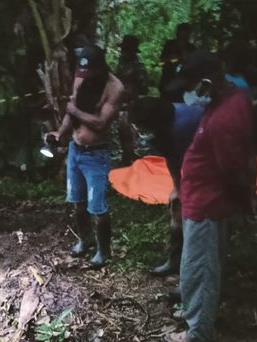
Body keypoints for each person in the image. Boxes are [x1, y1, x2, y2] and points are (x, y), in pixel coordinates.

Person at [163, 51, 256, 342]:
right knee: (196, 265)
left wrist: (244, 201)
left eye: (191, 85)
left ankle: (198, 334)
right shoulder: (229, 101)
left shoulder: (225, 117)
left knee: (200, 267)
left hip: (208, 205)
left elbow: (234, 170)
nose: (188, 92)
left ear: (206, 82)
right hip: (199, 200)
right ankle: (195, 314)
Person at [48, 44, 124, 269]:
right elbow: (72, 110)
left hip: (96, 155)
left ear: (100, 68)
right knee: (77, 202)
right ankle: (85, 239)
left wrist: (74, 111)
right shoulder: (80, 79)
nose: (84, 78)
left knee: (97, 207)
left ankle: (104, 251)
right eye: (83, 73)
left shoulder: (115, 87)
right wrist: (59, 134)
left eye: (89, 73)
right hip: (75, 150)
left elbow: (101, 123)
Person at [131, 97, 204, 276]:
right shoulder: (158, 129)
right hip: (185, 161)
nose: (138, 131)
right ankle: (174, 261)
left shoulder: (184, 127)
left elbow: (192, 162)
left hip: (204, 166)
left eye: (141, 127)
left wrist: (188, 191)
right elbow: (170, 156)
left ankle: (190, 273)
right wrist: (177, 188)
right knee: (177, 210)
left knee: (192, 220)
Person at [115, 35, 148, 165]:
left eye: (126, 50)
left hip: (131, 104)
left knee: (129, 133)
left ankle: (130, 160)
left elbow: (144, 86)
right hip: (120, 103)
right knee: (123, 133)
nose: (123, 52)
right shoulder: (122, 63)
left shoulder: (137, 66)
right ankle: (126, 158)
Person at [159, 23, 197, 102]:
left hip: (183, 84)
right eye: (181, 34)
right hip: (168, 80)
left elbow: (194, 65)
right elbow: (162, 62)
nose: (184, 37)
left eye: (186, 35)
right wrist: (175, 59)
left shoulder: (191, 48)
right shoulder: (170, 45)